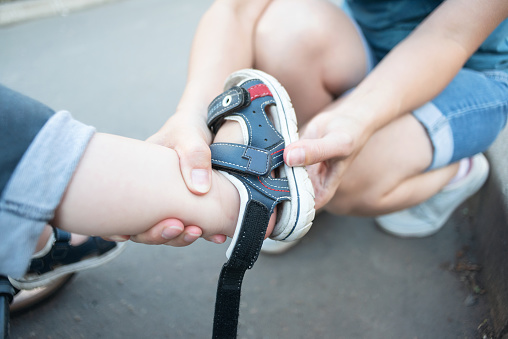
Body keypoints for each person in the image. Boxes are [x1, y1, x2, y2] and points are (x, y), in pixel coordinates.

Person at [129, 0, 507, 250]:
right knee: (287, 32)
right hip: (367, 39)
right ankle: (294, 186)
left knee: (348, 179)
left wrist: (355, 117)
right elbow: (237, 9)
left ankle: (460, 170)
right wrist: (195, 115)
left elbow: (448, 36)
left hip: (470, 66)